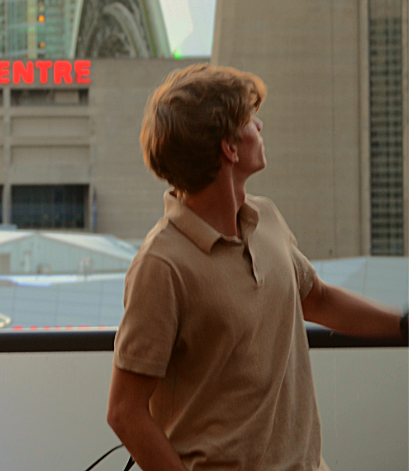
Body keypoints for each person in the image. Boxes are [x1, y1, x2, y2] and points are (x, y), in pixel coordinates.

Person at [106, 63, 407, 471]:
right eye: (249, 120)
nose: (260, 126)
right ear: (229, 149)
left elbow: (317, 299)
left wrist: (404, 326)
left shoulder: (265, 218)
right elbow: (125, 411)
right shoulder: (161, 265)